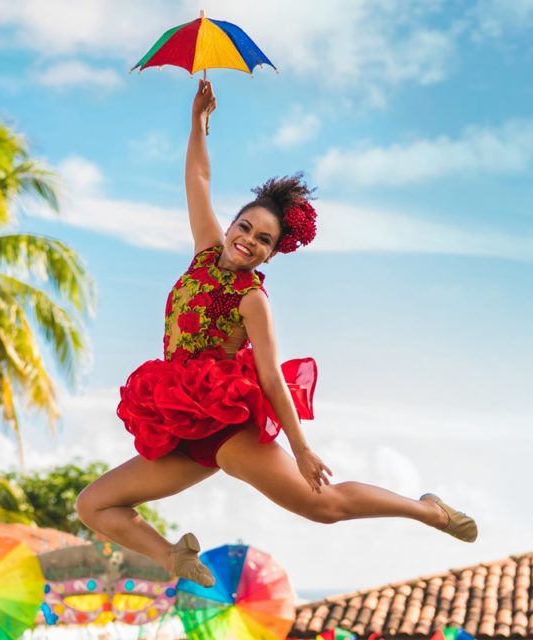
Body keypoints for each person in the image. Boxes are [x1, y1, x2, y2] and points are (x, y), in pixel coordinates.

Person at [76, 79, 478, 588]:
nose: (247, 240)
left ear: (272, 253)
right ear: (233, 224)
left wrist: (302, 447)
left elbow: (271, 377)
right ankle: (172, 556)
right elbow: (198, 176)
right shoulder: (204, 252)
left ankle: (427, 510)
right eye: (245, 228)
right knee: (93, 504)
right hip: (179, 424)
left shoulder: (252, 299)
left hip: (224, 428)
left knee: (323, 507)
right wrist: (198, 122)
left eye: (263, 240)